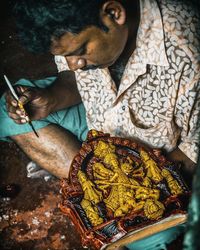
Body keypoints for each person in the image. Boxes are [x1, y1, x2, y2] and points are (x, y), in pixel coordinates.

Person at [0, 0, 199, 248]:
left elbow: (194, 148)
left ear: (114, 13)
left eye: (81, 50)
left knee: (152, 235)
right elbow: (73, 80)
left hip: (158, 163)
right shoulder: (74, 27)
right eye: (65, 57)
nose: (74, 64)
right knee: (9, 113)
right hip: (101, 123)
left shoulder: (188, 51)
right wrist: (50, 100)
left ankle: (92, 185)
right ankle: (86, 180)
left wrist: (131, 187)